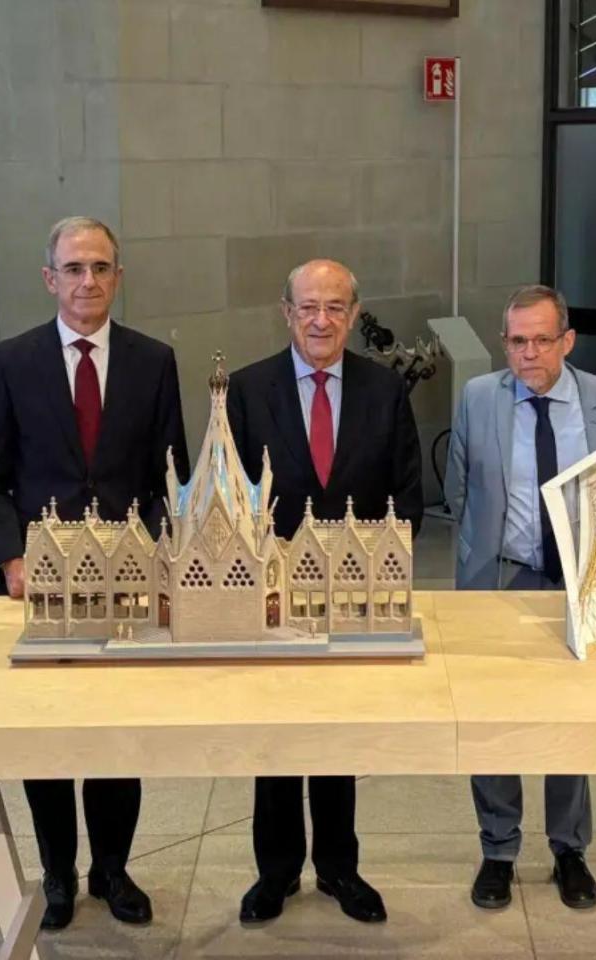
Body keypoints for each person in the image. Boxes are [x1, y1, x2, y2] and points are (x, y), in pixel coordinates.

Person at [0, 216, 188, 931]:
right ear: (49, 278)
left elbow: (169, 478)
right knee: (50, 737)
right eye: (73, 268)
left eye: (100, 267)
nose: (87, 281)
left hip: (127, 586)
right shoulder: (10, 360)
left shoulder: (154, 361)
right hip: (42, 586)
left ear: (117, 276)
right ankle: (57, 874)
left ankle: (113, 870)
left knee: (118, 738)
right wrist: (10, 558)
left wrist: (159, 553)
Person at [224, 258, 423, 925]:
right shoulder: (247, 391)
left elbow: (408, 497)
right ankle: (274, 874)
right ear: (286, 312)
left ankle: (340, 868)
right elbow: (229, 497)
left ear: (353, 314)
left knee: (339, 738)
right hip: (272, 598)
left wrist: (376, 570)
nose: (321, 320)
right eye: (308, 306)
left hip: (355, 598)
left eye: (336, 307)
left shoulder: (384, 390)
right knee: (275, 739)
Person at [444, 284, 596, 911]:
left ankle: (568, 849)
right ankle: (497, 849)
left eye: (542, 340)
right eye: (517, 341)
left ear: (568, 341)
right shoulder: (479, 398)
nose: (528, 353)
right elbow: (460, 489)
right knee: (495, 719)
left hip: (581, 582)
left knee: (570, 721)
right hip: (505, 579)